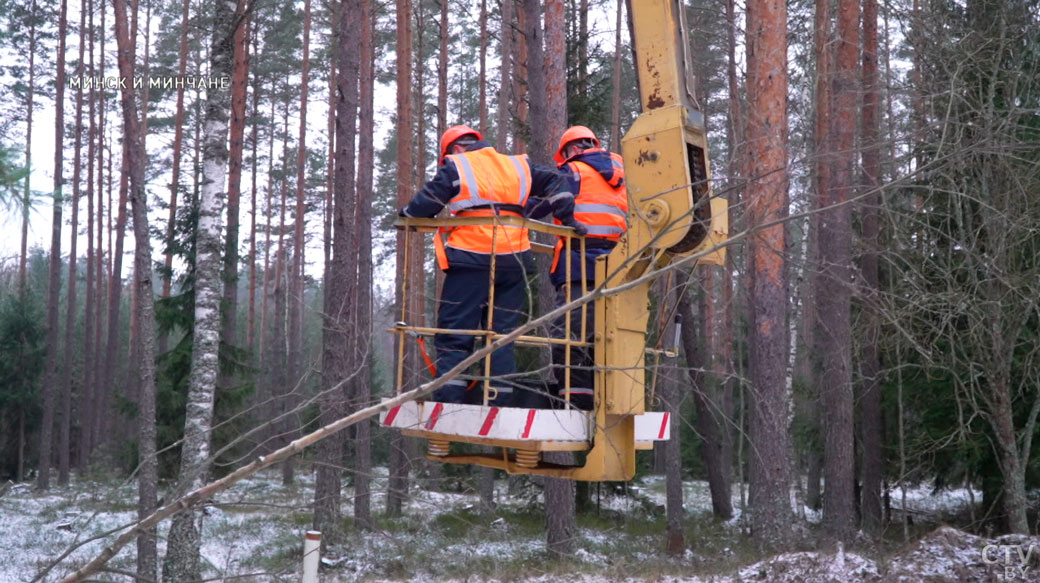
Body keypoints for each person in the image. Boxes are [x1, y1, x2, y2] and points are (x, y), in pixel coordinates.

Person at [400, 125, 586, 407]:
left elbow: (425, 205)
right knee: (502, 335)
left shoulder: (458, 165)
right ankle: (499, 401)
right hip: (514, 262)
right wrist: (566, 214)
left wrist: (406, 214)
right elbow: (557, 181)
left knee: (456, 333)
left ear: (456, 148)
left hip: (471, 257)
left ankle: (448, 402)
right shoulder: (518, 165)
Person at [548, 126, 628, 410]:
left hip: (579, 264)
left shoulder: (574, 171)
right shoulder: (622, 174)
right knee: (604, 334)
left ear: (572, 149)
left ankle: (576, 397)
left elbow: (549, 203)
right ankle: (603, 395)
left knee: (568, 333)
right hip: (618, 265)